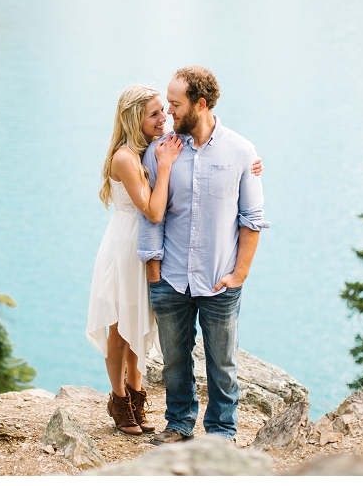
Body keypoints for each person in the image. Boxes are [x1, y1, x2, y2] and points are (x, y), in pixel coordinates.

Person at [87, 84, 262, 436]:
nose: (165, 115)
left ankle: (139, 400)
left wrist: (249, 165)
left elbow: (233, 181)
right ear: (135, 117)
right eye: (155, 112)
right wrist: (165, 166)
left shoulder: (157, 148)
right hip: (128, 250)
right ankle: (121, 402)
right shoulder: (137, 155)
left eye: (167, 108)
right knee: (121, 329)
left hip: (158, 255)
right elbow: (154, 212)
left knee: (140, 327)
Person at [137, 66, 270, 444]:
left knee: (222, 363)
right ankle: (179, 424)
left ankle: (220, 433)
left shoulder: (242, 152)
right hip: (170, 277)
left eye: (176, 105)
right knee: (175, 361)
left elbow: (252, 220)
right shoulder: (160, 151)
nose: (169, 114)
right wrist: (153, 269)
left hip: (219, 280)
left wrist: (239, 274)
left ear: (201, 103)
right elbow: (151, 216)